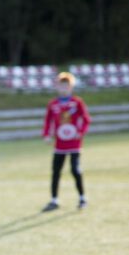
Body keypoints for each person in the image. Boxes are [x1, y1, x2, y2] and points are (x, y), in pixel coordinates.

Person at [42, 72, 91, 211]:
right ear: (57, 87)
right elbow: (48, 121)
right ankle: (54, 200)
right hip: (59, 145)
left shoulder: (77, 102)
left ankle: (82, 198)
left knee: (75, 170)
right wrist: (47, 135)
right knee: (56, 171)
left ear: (71, 87)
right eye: (61, 85)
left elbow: (87, 120)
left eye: (66, 85)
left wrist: (80, 132)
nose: (64, 88)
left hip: (74, 144)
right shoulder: (53, 104)